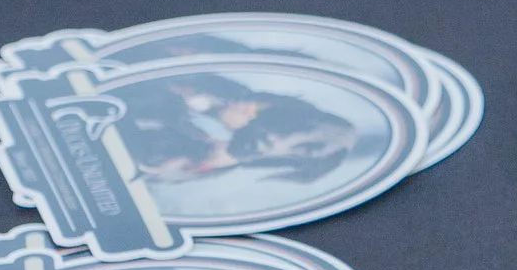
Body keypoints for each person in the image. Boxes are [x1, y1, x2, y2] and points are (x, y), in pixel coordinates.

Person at [108, 75, 372, 192]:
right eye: (297, 125)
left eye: (306, 150)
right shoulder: (203, 90)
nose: (279, 139)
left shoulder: (212, 166)